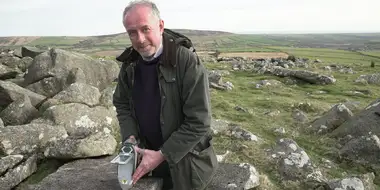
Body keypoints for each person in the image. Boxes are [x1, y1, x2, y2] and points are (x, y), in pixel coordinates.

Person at [112, 0, 219, 189]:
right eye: (132, 33)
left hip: (188, 166)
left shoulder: (186, 61)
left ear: (160, 26)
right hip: (148, 162)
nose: (140, 39)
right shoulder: (130, 64)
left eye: (145, 29)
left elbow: (199, 121)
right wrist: (129, 137)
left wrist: (162, 154)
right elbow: (122, 104)